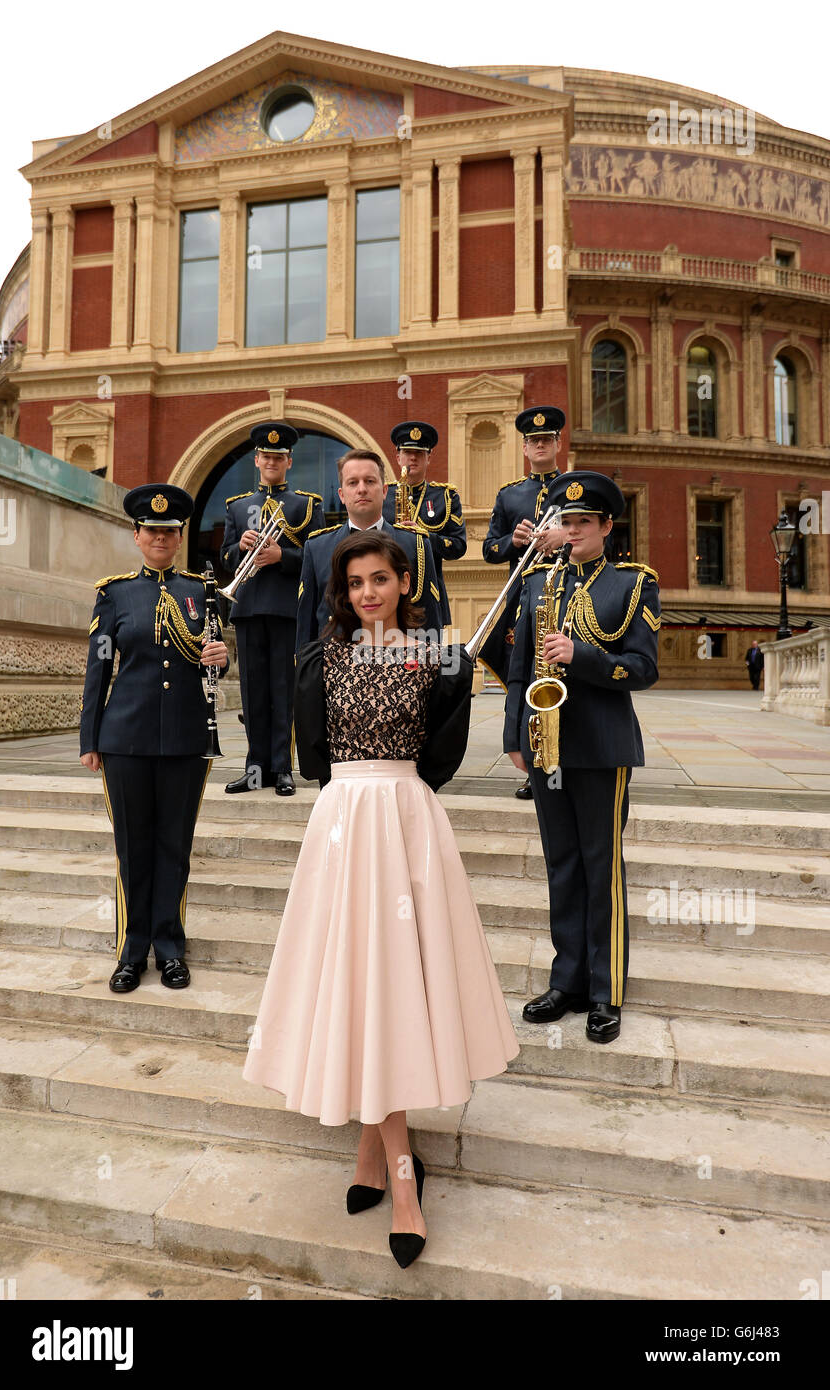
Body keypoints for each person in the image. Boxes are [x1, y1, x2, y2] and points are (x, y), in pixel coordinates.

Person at [243, 531, 518, 1268]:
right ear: (344, 589)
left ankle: (393, 1173)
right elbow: (310, 758)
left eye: (380, 579)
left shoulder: (441, 656)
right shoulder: (319, 658)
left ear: (405, 580)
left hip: (406, 821)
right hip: (341, 825)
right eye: (355, 581)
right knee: (362, 981)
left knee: (396, 981)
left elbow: (441, 757)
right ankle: (392, 1168)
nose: (367, 592)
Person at [503, 471, 660, 1044]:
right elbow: (519, 670)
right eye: (565, 523)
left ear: (606, 526)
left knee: (600, 866)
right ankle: (565, 979)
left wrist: (584, 655)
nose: (572, 531)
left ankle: (604, 991)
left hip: (599, 744)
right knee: (561, 864)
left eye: (583, 523)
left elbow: (643, 669)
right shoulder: (537, 582)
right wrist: (514, 737)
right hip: (545, 743)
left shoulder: (632, 582)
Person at [79, 484, 229, 994]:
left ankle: (169, 949)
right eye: (152, 530)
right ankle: (131, 950)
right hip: (125, 739)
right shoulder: (115, 593)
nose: (160, 537)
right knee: (132, 849)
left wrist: (221, 661)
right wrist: (89, 737)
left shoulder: (201, 591)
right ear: (137, 535)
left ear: (180, 536)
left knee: (174, 848)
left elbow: (213, 659)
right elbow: (98, 669)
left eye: (170, 531)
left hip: (187, 741)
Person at [221, 422, 324, 796]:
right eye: (266, 457)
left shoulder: (305, 504)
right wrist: (240, 549)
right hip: (247, 607)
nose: (272, 462)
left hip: (285, 610)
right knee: (253, 692)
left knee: (282, 690)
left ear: (289, 461)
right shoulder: (237, 506)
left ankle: (281, 767)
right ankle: (254, 768)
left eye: (279, 458)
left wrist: (282, 555)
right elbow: (225, 555)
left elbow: (315, 558)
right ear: (257, 460)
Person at [481, 406, 566, 798]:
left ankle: (560, 763)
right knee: (521, 680)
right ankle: (531, 766)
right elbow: (489, 550)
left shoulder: (576, 488)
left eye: (546, 439)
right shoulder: (510, 494)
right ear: (525, 447)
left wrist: (564, 538)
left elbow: (605, 542)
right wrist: (512, 542)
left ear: (557, 443)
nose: (540, 445)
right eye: (533, 441)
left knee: (558, 678)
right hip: (521, 601)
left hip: (568, 597)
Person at [295, 448, 444, 650]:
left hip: (398, 666)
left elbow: (429, 619)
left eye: (370, 481)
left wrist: (430, 670)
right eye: (353, 482)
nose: (362, 489)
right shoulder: (317, 547)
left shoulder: (415, 544)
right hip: (334, 670)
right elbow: (307, 626)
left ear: (384, 491)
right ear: (342, 494)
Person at [381, 420, 467, 629]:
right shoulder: (382, 495)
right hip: (384, 595)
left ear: (429, 457)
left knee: (427, 660)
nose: (412, 457)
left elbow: (458, 546)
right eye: (408, 452)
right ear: (397, 456)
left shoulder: (445, 496)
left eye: (419, 453)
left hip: (428, 598)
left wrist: (426, 536)